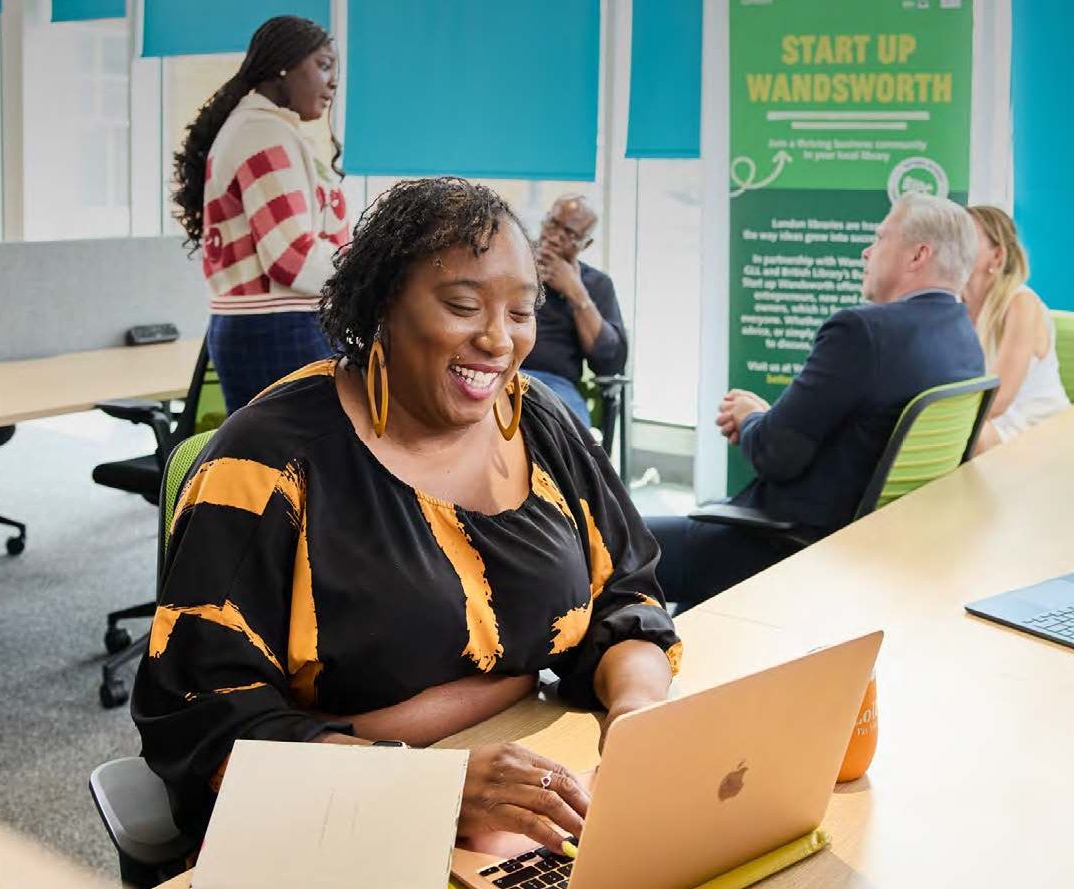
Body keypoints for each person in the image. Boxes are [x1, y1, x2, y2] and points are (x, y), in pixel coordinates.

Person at [132, 178, 682, 851]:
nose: (497, 340)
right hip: (333, 818)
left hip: (521, 789)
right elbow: (205, 724)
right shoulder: (268, 459)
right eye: (461, 305)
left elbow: (625, 592)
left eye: (520, 311)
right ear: (384, 303)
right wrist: (430, 789)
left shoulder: (538, 419)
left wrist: (637, 713)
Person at [647, 194, 986, 608]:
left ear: (918, 254)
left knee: (604, 545)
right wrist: (765, 420)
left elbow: (776, 455)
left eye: (880, 238)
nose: (866, 250)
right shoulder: (963, 338)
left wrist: (751, 417)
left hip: (785, 545)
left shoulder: (861, 331)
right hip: (878, 546)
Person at [171, 16, 350, 414]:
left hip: (272, 326)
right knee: (295, 470)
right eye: (323, 66)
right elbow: (292, 258)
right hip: (280, 329)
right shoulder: (262, 134)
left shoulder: (264, 129)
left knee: (286, 468)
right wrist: (369, 274)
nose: (333, 82)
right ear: (283, 66)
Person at [962, 206, 1069, 453]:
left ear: (997, 257)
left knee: (966, 437)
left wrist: (943, 422)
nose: (952, 245)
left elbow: (998, 400)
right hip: (988, 423)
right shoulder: (953, 306)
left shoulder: (1021, 303)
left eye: (966, 237)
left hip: (1035, 426)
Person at [523, 196, 627, 428]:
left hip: (555, 385)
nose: (556, 237)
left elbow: (610, 362)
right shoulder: (513, 264)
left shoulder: (597, 284)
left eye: (569, 234)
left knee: (569, 439)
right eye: (553, 224)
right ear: (544, 221)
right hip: (501, 370)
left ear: (585, 244)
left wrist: (576, 292)